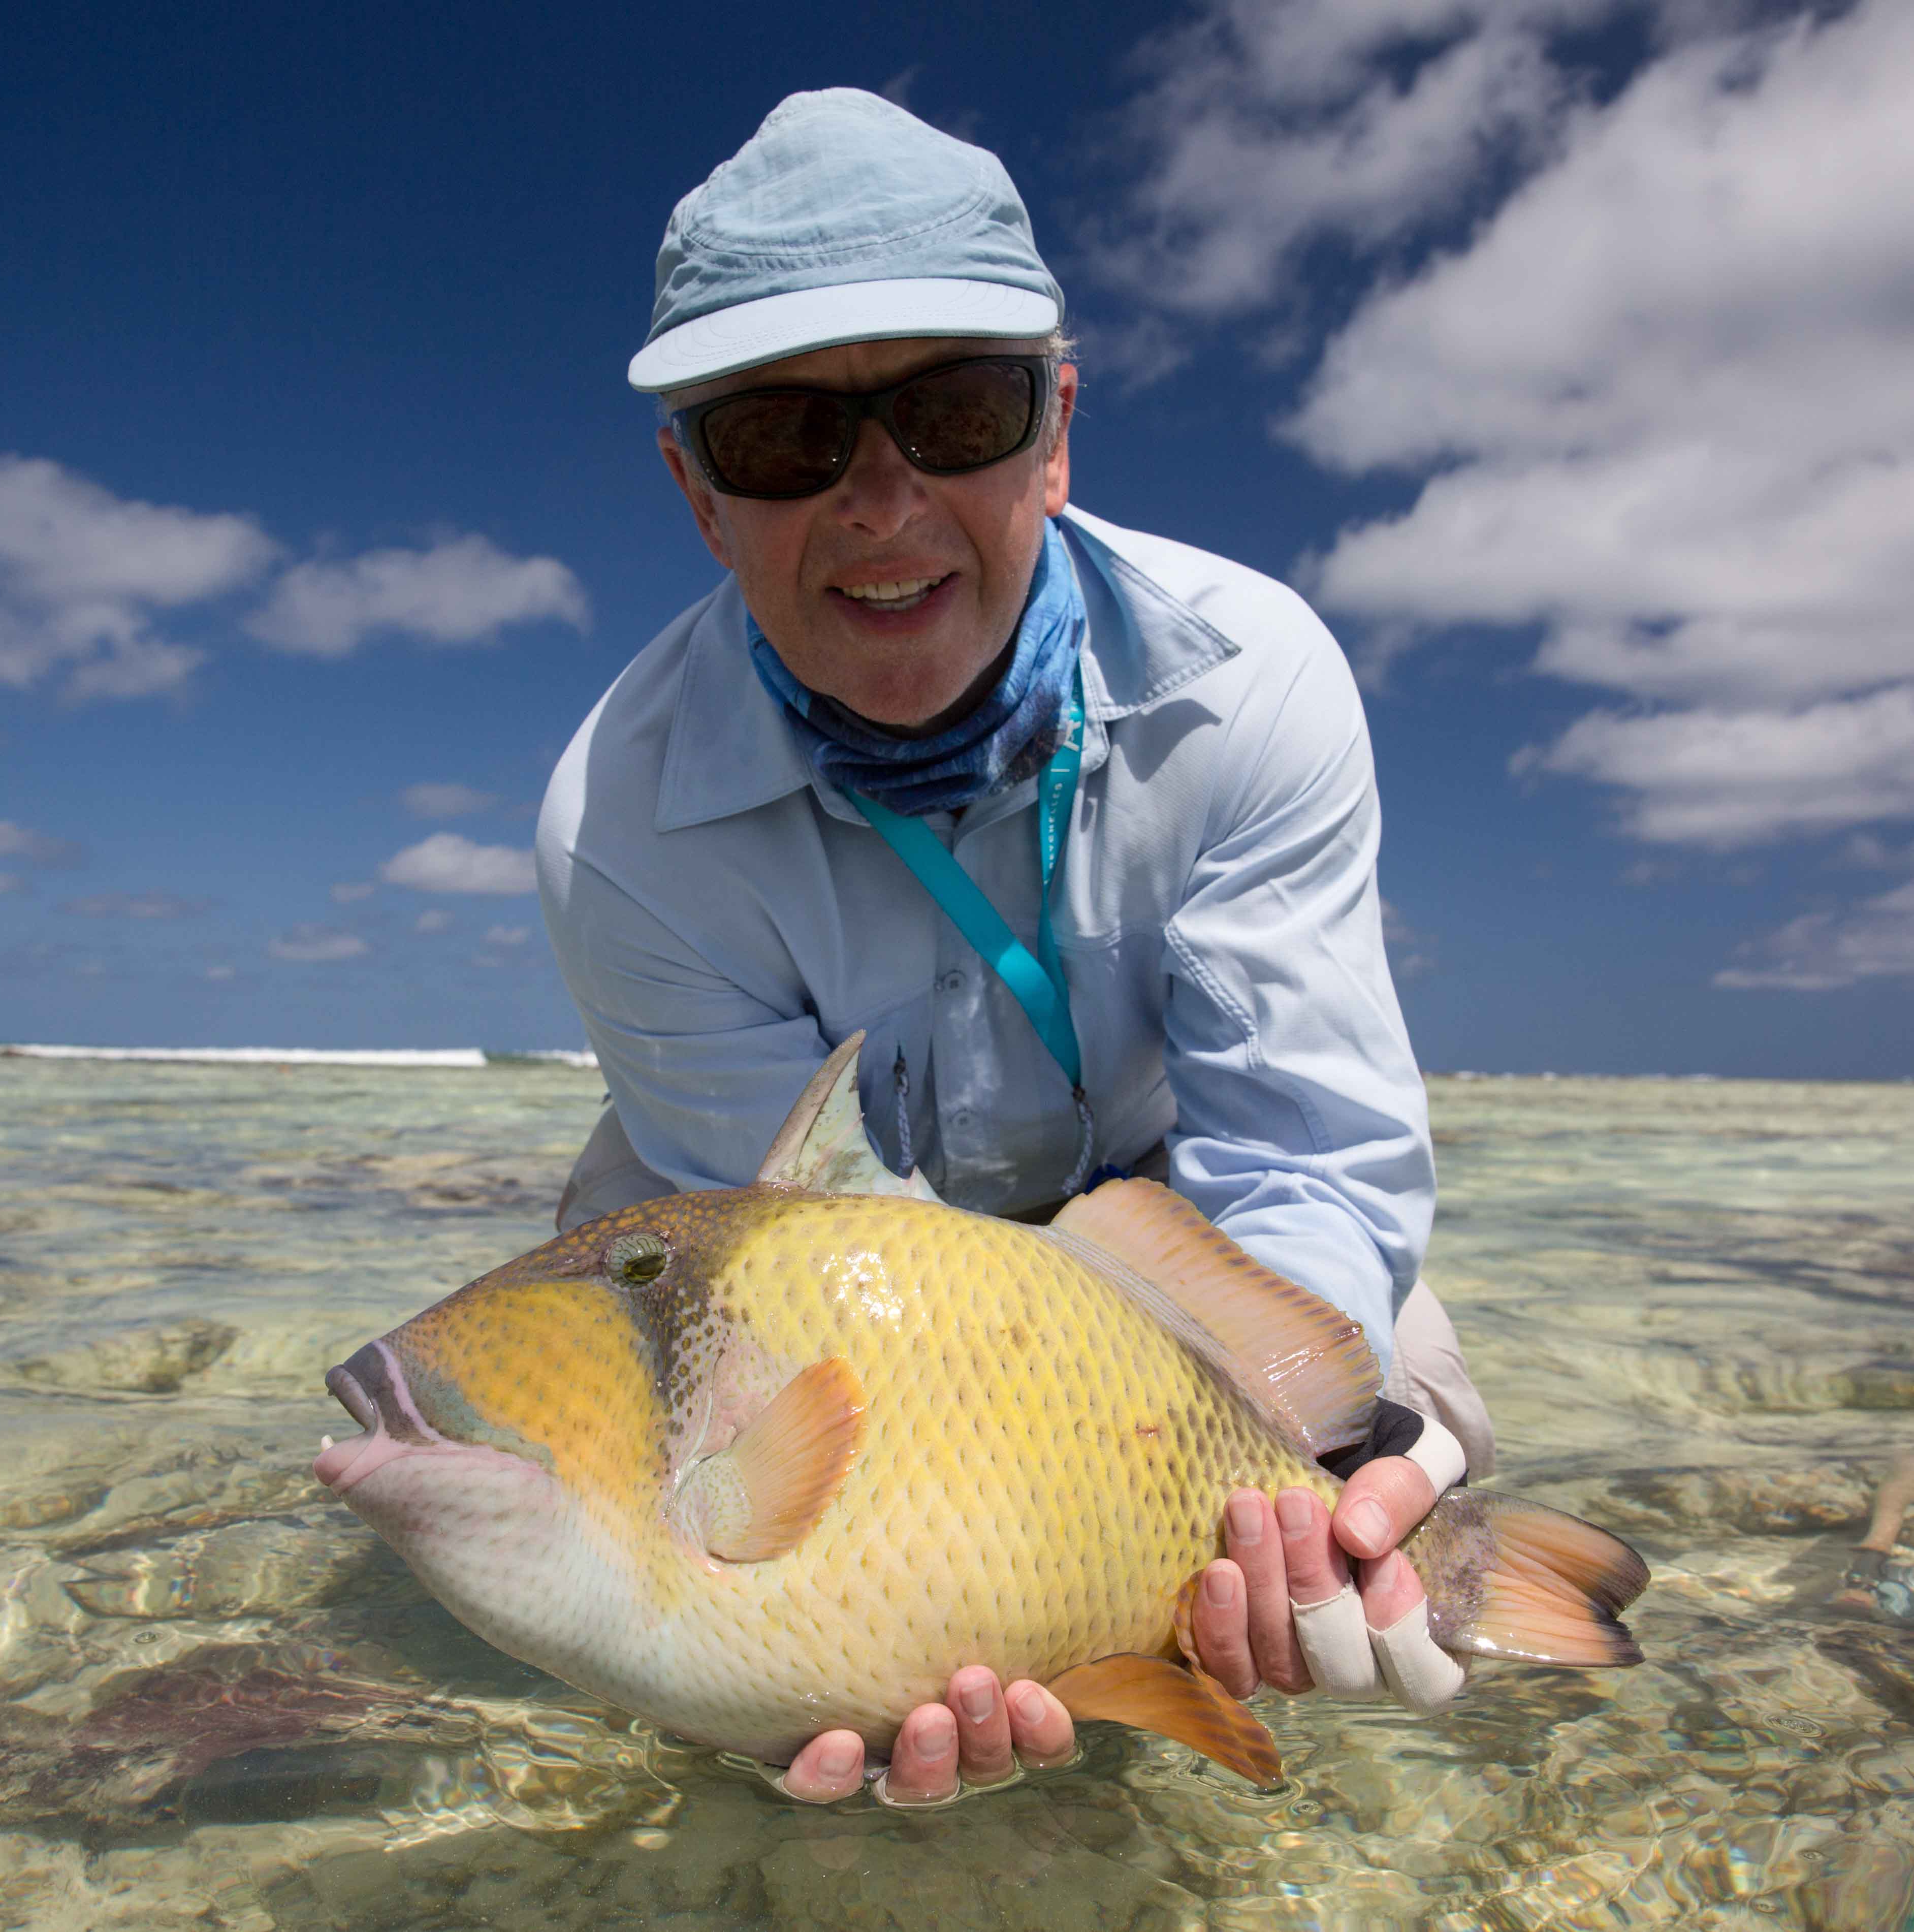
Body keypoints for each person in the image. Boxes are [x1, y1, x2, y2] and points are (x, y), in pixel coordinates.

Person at [536, 88, 1493, 1807]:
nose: (883, 503)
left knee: (1394, 1570)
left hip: (1173, 1212)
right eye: (781, 438)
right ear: (695, 495)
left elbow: (1307, 1163)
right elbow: (792, 1279)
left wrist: (1307, 1456)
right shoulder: (614, 822)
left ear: (1053, 433)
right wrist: (852, 1606)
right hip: (800, 1231)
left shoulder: (1252, 678)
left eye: (954, 411)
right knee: (735, 1668)